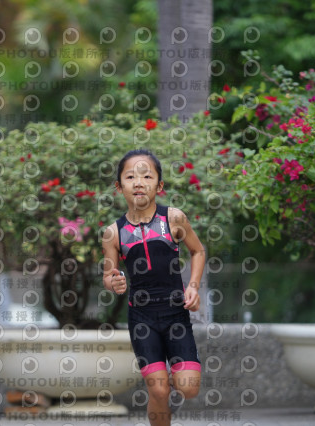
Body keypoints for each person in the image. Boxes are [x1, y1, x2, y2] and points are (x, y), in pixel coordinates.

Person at [102, 149, 205, 426]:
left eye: (147, 176)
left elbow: (198, 251)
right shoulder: (113, 232)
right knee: (158, 391)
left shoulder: (173, 218)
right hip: (142, 318)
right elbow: (108, 275)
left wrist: (193, 286)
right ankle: (158, 384)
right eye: (130, 177)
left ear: (159, 186)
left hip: (175, 314)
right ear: (119, 186)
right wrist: (114, 281)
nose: (139, 182)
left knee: (189, 388)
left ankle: (169, 376)